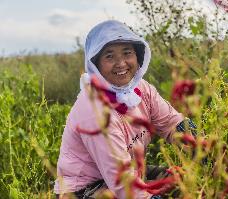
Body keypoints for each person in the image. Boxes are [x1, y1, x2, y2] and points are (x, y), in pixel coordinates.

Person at [54, 20, 196, 199]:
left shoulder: (141, 90)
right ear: (95, 64)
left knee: (183, 182)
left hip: (130, 172)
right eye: (109, 56)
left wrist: (203, 148)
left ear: (137, 56)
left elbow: (171, 122)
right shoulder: (95, 111)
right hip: (84, 189)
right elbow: (122, 183)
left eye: (127, 53)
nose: (121, 63)